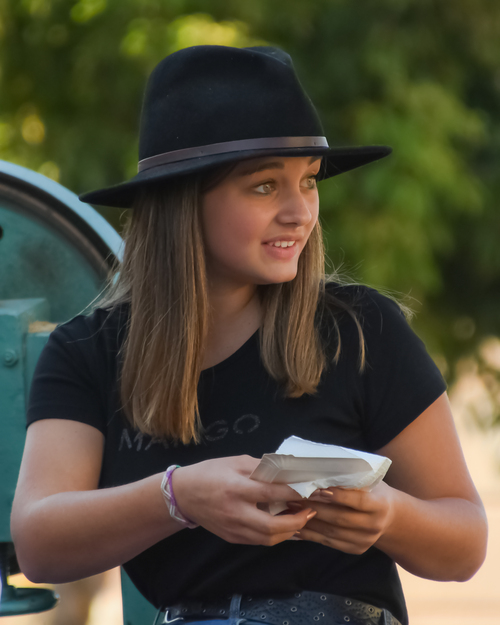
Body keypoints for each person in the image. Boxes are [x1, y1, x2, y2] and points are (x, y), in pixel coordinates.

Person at [11, 45, 487, 625]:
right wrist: (177, 497)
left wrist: (389, 516)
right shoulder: (89, 349)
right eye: (264, 186)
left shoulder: (361, 330)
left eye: (309, 182)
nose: (299, 212)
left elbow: (465, 542)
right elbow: (39, 541)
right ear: (183, 201)